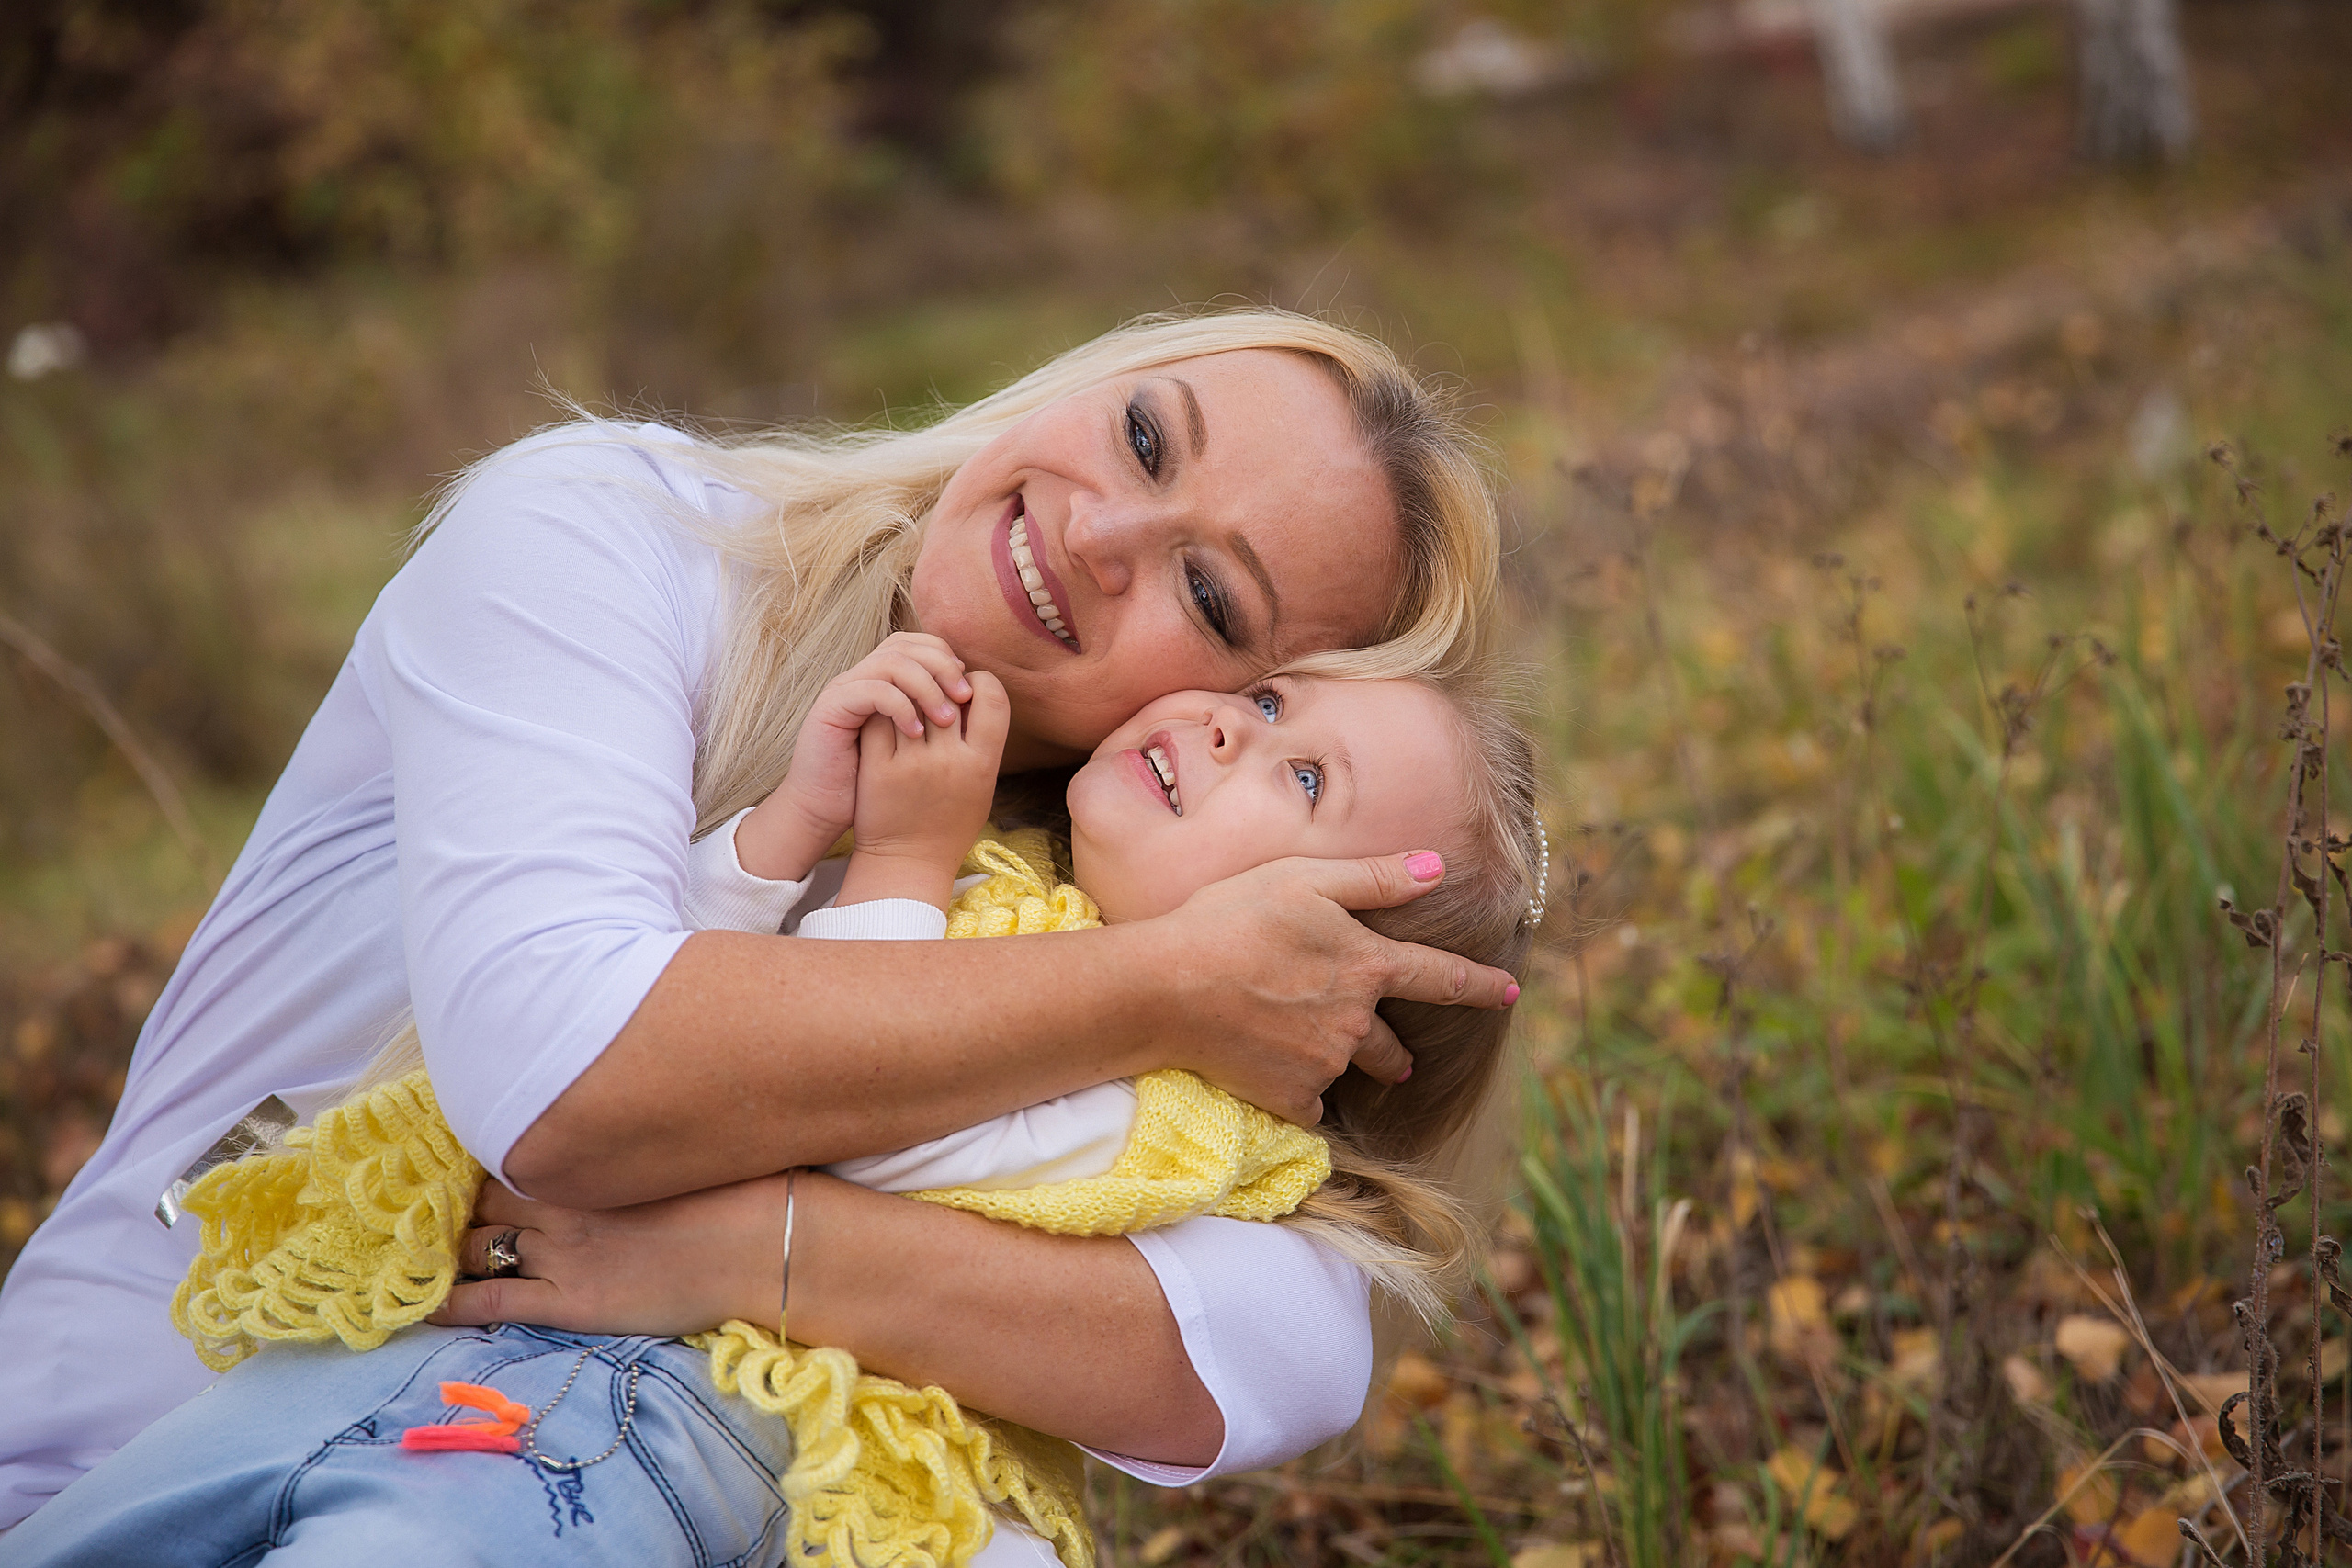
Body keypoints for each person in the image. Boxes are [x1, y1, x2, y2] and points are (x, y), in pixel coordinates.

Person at [0, 309, 1518, 1530]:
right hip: (136, 1441)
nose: (1101, 535)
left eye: (1208, 595)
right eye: (1138, 435)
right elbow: (571, 1079)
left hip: (535, 1468)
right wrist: (1167, 981)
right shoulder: (611, 539)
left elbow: (1294, 1342)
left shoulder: (1078, 870)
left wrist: (759, 1249)